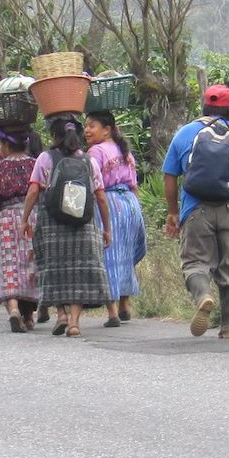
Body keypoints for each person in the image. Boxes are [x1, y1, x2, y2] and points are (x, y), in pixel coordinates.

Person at [161, 85, 229, 338]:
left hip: (196, 209)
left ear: (204, 106)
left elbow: (169, 176)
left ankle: (204, 296)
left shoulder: (185, 133)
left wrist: (174, 212)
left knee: (195, 262)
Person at [23, 114, 112, 338]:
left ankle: (61, 315)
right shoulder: (89, 160)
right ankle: (74, 322)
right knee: (79, 271)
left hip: (52, 222)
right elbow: (100, 196)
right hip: (83, 223)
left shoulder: (45, 158)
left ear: (54, 135)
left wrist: (24, 219)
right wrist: (106, 227)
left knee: (53, 269)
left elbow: (34, 190)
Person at [85, 111, 145, 328]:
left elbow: (93, 183)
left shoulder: (96, 151)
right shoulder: (125, 152)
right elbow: (134, 185)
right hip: (130, 204)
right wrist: (138, 210)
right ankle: (125, 305)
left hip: (109, 204)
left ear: (107, 129)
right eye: (86, 126)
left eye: (92, 126)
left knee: (107, 254)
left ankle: (112, 312)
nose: (87, 130)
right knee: (125, 255)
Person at [0, 122, 41, 332]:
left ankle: (13, 308)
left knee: (9, 266)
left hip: (5, 220)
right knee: (31, 265)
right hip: (31, 217)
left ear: (6, 145)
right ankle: (30, 316)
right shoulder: (35, 164)